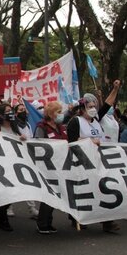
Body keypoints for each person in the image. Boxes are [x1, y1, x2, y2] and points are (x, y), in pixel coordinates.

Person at [66, 80, 121, 233]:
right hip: (81, 162)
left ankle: (107, 221)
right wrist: (90, 141)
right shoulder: (75, 122)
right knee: (83, 191)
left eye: (94, 107)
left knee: (104, 188)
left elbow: (108, 103)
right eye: (89, 107)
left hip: (98, 161)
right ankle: (79, 218)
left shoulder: (96, 119)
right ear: (82, 108)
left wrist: (115, 89)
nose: (93, 109)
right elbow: (72, 141)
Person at [0, 102, 26, 231]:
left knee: (13, 191)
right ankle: (3, 220)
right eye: (7, 111)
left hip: (15, 164)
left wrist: (23, 139)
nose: (10, 113)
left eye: (11, 110)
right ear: (0, 115)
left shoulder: (16, 128)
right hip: (1, 165)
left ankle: (4, 213)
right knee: (3, 193)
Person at [33, 101, 67, 234]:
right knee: (49, 195)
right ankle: (42, 223)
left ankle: (48, 221)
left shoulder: (61, 127)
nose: (61, 114)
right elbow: (38, 145)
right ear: (51, 114)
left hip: (60, 165)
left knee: (56, 194)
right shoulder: (42, 127)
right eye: (58, 112)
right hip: (47, 166)